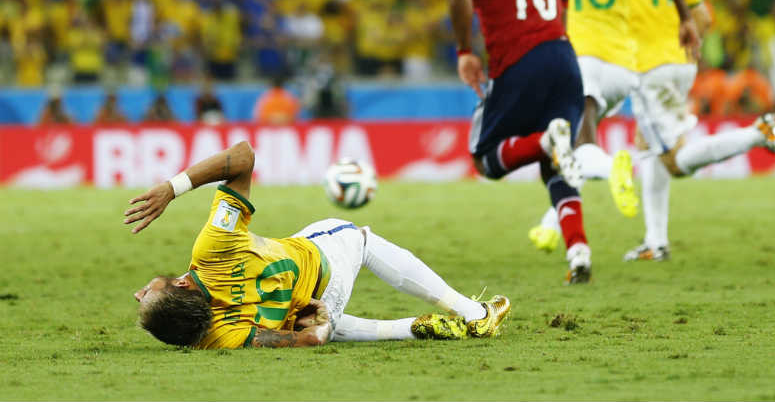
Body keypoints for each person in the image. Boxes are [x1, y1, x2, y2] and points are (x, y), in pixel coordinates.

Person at [530, 0, 775, 261]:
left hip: (649, 68)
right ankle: (655, 242)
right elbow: (703, 17)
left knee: (674, 160)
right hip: (680, 63)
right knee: (650, 147)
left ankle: (758, 133)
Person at [124, 141, 510, 349]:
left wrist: (320, 328)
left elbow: (303, 339)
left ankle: (412, 328)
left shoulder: (213, 337)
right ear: (181, 284)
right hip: (324, 269)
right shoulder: (213, 249)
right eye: (147, 295)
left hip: (311, 312)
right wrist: (171, 188)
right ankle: (475, 314)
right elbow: (242, 156)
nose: (138, 293)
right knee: (356, 236)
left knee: (313, 320)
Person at [444, 0, 590, 283]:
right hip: (564, 57)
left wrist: (464, 51)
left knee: (485, 159)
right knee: (557, 164)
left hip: (519, 60)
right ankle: (579, 253)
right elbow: (562, 1)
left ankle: (544, 140)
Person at [540, 0, 700, 218]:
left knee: (574, 142)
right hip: (622, 68)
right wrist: (685, 17)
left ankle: (610, 167)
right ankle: (555, 226)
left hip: (579, 58)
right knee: (569, 146)